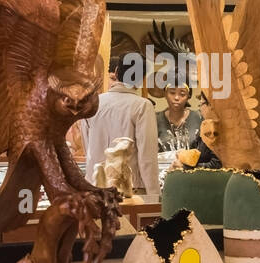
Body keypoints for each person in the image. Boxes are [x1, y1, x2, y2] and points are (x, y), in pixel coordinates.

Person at [80, 56, 159, 198]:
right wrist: (154, 195)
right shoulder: (142, 106)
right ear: (142, 80)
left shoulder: (93, 102)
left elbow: (88, 149)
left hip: (95, 186)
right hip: (129, 189)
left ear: (116, 72)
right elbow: (147, 158)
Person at [156, 84, 202, 152]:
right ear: (165, 94)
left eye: (182, 94)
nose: (176, 98)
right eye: (172, 93)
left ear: (188, 96)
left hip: (194, 162)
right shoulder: (155, 120)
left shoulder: (199, 118)